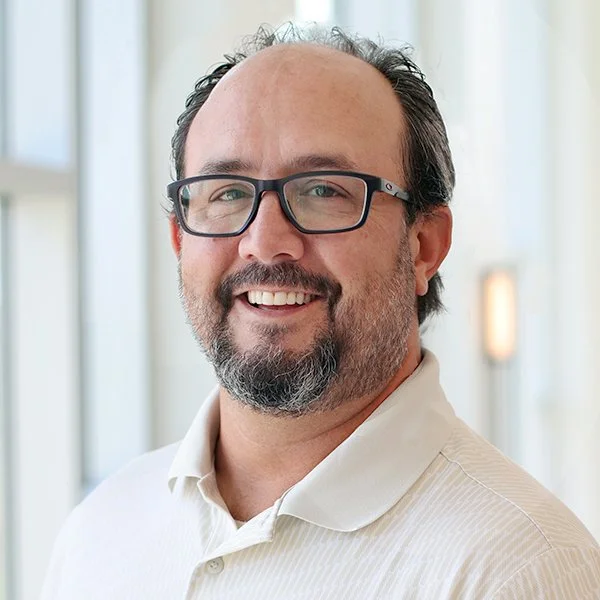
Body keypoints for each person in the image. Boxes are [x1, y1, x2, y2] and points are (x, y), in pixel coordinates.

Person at [42, 24, 600, 599]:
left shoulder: (520, 570)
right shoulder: (98, 533)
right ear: (181, 240)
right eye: (227, 192)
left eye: (324, 190)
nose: (264, 241)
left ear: (424, 246)